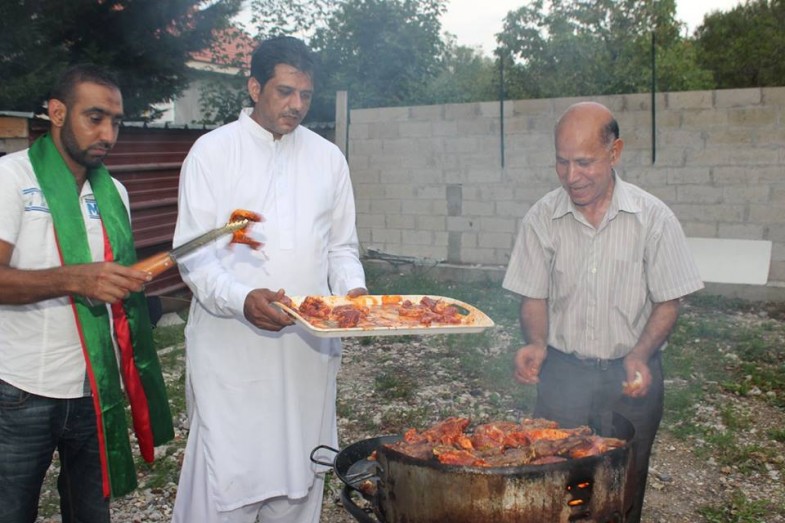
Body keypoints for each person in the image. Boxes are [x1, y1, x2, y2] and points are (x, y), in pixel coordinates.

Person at [171, 36, 367, 523]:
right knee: (227, 477)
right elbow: (194, 259)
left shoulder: (328, 159)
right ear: (255, 87)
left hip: (307, 348)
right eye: (284, 92)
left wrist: (354, 294)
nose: (297, 106)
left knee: (302, 472)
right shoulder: (212, 153)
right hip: (233, 349)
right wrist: (242, 300)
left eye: (305, 95)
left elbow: (342, 247)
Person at [502, 101, 703, 523]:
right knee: (553, 484)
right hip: (562, 374)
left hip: (630, 377)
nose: (571, 177)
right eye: (561, 162)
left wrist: (640, 353)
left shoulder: (653, 219)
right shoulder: (541, 218)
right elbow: (533, 295)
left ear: (615, 153)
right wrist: (536, 342)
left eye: (584, 162)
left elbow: (669, 298)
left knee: (623, 486)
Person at [0, 64, 174, 523]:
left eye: (116, 121)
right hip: (21, 389)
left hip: (96, 388)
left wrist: (128, 281)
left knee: (91, 514)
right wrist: (74, 279)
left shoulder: (113, 191)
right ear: (57, 113)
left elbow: (106, 277)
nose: (108, 134)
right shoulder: (10, 178)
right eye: (94, 117)